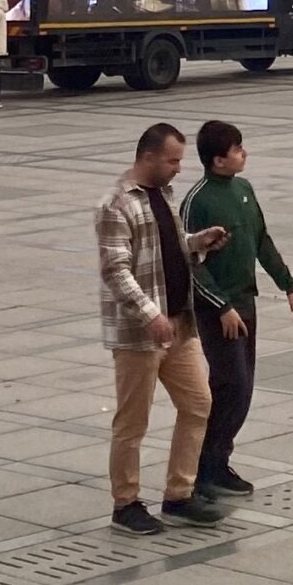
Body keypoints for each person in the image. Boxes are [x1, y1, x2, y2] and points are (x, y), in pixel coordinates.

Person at [98, 122, 229, 534]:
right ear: (149, 156)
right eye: (173, 160)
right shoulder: (117, 203)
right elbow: (116, 270)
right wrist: (149, 314)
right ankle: (126, 503)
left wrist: (197, 241)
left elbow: (169, 245)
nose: (178, 168)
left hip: (177, 324)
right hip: (141, 332)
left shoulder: (164, 194)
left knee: (198, 404)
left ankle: (179, 495)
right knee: (133, 421)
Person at [182, 119, 293, 500]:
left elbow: (260, 240)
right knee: (229, 383)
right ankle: (202, 468)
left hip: (245, 304)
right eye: (236, 150)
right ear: (218, 160)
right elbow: (190, 264)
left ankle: (219, 462)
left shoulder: (244, 189)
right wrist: (221, 307)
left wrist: (289, 285)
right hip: (218, 311)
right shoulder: (197, 200)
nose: (243, 154)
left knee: (243, 388)